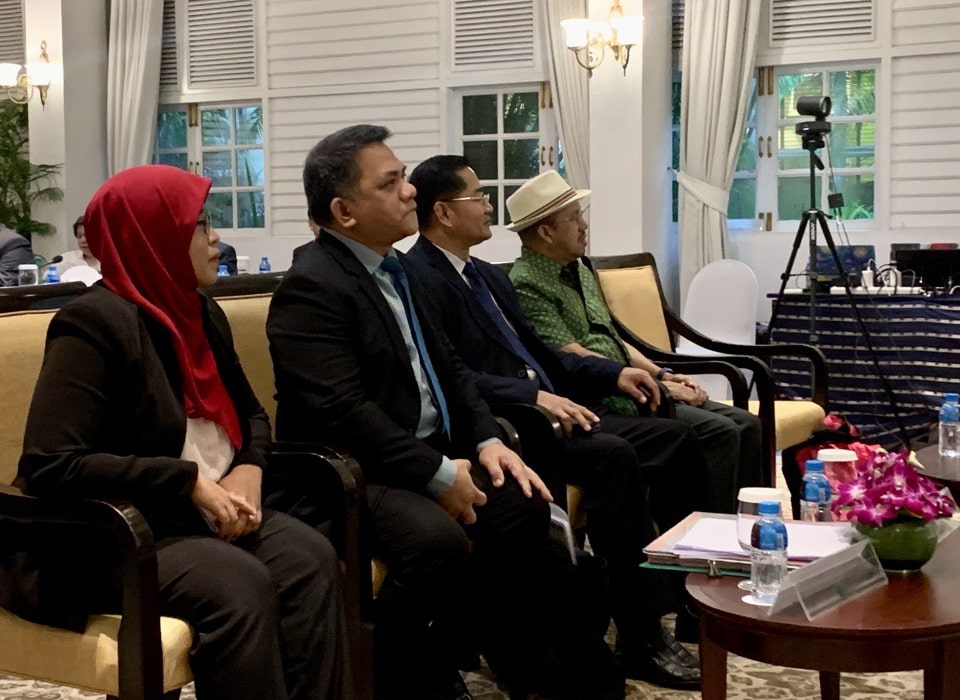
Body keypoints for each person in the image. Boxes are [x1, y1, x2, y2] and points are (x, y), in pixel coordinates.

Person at [267, 125, 623, 700]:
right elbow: (346, 412)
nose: (410, 191)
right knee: (435, 541)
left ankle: (528, 666)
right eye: (392, 182)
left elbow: (451, 370)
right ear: (344, 211)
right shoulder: (312, 286)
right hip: (351, 473)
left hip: (422, 455)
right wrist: (438, 475)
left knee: (526, 504)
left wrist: (486, 441)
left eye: (404, 177)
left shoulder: (395, 269)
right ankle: (401, 673)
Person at [15, 165, 352, 700]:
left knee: (308, 558)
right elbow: (51, 462)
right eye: (198, 225)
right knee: (237, 583)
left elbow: (253, 417)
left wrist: (248, 469)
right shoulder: (93, 324)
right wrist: (187, 480)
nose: (216, 238)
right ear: (152, 235)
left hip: (199, 513)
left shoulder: (200, 311)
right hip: (114, 533)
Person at [405, 155, 705, 688]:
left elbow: (541, 348)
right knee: (615, 456)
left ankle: (682, 603)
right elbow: (453, 372)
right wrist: (533, 395)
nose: (488, 204)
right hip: (512, 422)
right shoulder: (420, 278)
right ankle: (636, 634)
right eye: (477, 196)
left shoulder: (484, 275)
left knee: (677, 439)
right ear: (445, 213)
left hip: (552, 407)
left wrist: (613, 373)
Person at [507, 171, 764, 513]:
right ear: (545, 231)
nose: (584, 226)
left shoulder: (579, 268)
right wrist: (650, 384)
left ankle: (743, 529)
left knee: (746, 424)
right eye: (575, 218)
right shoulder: (526, 283)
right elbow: (570, 353)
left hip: (636, 385)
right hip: (602, 395)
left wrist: (663, 375)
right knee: (719, 432)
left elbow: (614, 338)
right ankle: (704, 540)